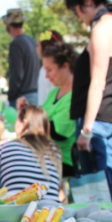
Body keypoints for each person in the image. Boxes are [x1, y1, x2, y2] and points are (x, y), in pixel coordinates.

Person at [66, 0, 112, 203]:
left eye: (77, 11)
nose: (78, 17)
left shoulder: (101, 29)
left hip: (98, 118)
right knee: (106, 175)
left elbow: (98, 82)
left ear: (87, 0)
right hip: (111, 112)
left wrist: (87, 129)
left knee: (98, 184)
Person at [0, 105, 62, 201]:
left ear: (23, 123)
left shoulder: (3, 149)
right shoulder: (55, 151)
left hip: (17, 210)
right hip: (52, 211)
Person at [40, 42, 77, 178]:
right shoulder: (55, 92)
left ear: (66, 66)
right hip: (47, 157)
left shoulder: (74, 97)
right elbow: (42, 117)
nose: (46, 76)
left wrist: (30, 118)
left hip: (63, 162)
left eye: (49, 70)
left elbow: (58, 132)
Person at [2, 8, 39, 106]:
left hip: (23, 97)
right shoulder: (31, 41)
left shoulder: (16, 44)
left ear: (8, 24)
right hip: (35, 95)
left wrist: (11, 97)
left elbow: (16, 75)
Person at [34, 30, 62, 108]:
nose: (36, 49)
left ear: (46, 47)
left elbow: (42, 102)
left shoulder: (44, 70)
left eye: (38, 45)